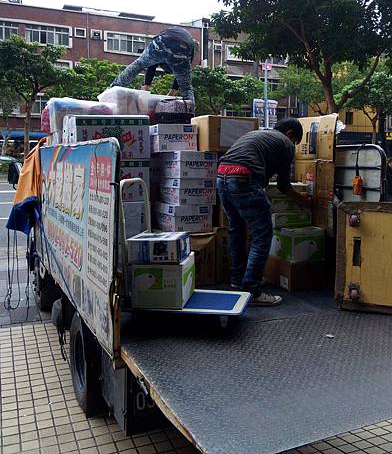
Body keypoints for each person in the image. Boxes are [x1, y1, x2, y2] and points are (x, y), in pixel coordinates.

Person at [216, 119, 311, 306]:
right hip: (243, 178)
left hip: (221, 175)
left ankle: (238, 280)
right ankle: (252, 289)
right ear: (290, 134)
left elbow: (264, 175)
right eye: (296, 141)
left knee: (236, 230)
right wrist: (302, 200)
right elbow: (284, 185)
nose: (294, 146)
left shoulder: (259, 135)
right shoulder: (285, 143)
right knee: (263, 233)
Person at [110, 26, 196, 103]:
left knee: (139, 65)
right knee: (186, 89)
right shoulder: (189, 51)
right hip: (181, 48)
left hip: (160, 42)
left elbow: (151, 65)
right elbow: (182, 75)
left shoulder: (185, 40)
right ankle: (190, 115)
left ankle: (113, 89)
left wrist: (145, 88)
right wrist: (172, 93)